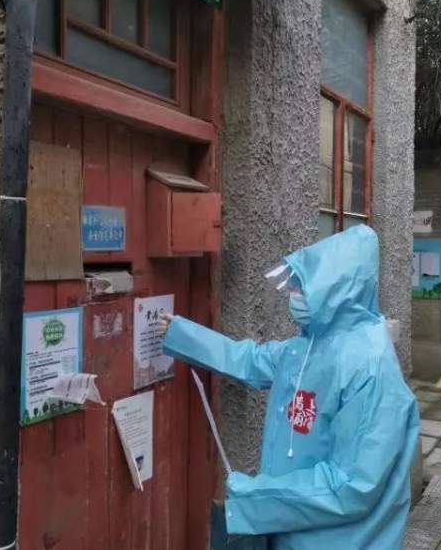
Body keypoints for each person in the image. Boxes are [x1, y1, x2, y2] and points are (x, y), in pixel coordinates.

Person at [158, 225, 420, 550]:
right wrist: (182, 333)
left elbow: (353, 487)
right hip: (294, 529)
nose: (294, 297)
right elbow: (251, 360)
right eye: (295, 286)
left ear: (337, 293)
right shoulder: (311, 345)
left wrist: (257, 498)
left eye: (303, 288)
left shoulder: (371, 367)